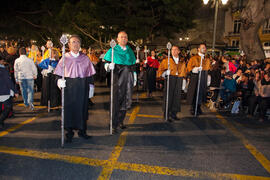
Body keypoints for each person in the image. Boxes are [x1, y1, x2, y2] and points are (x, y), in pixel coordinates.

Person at [54, 34, 96, 143]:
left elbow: (90, 75)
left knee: (82, 110)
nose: (75, 44)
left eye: (77, 42)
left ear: (80, 44)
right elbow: (58, 74)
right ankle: (69, 133)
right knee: (69, 110)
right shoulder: (65, 58)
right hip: (69, 89)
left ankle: (82, 132)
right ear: (68, 44)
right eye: (73, 42)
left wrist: (91, 88)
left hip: (82, 87)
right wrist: (59, 81)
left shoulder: (85, 58)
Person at [104, 31, 136, 134]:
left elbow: (133, 65)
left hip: (128, 80)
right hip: (117, 80)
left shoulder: (130, 51)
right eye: (121, 37)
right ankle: (113, 124)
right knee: (116, 101)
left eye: (125, 37)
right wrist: (109, 66)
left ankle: (121, 121)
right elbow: (105, 63)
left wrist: (134, 75)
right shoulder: (113, 50)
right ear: (117, 39)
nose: (123, 39)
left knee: (125, 100)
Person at [157, 45, 187, 122]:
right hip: (170, 78)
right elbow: (160, 71)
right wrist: (165, 72)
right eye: (172, 50)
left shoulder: (182, 61)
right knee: (169, 96)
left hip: (179, 79)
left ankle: (174, 114)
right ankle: (166, 114)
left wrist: (184, 79)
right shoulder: (166, 60)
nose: (173, 51)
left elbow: (184, 70)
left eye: (175, 49)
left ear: (179, 51)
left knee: (177, 97)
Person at [186, 43, 211, 115]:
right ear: (198, 49)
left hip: (203, 75)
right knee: (195, 92)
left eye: (205, 48)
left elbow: (209, 68)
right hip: (195, 76)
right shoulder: (194, 58)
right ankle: (193, 108)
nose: (204, 49)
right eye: (203, 47)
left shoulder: (207, 59)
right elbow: (189, 67)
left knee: (201, 92)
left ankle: (199, 106)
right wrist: (195, 69)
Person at [0, 59, 18, 128]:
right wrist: (15, 91)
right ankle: (1, 120)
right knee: (8, 107)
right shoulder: (3, 70)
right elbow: (8, 81)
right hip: (4, 92)